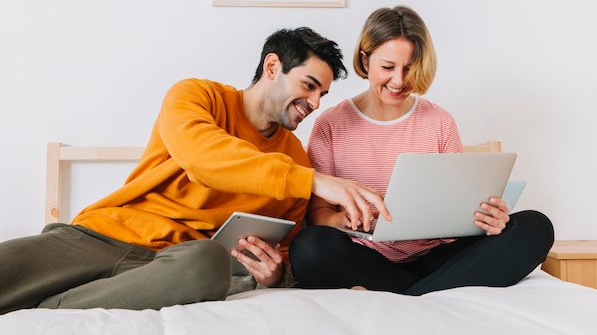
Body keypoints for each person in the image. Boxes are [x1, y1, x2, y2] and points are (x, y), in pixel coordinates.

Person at [0, 27, 390, 315]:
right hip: (100, 237)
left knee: (209, 261)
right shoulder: (196, 96)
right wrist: (316, 180)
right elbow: (204, 157)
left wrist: (275, 274)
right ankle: (60, 299)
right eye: (308, 85)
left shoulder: (296, 160)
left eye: (322, 94)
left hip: (177, 265)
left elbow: (285, 250)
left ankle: (46, 313)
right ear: (273, 66)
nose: (314, 103)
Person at [289, 6, 554, 295]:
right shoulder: (331, 124)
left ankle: (408, 293)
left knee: (535, 227)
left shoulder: (439, 121)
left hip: (435, 257)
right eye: (388, 67)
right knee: (308, 248)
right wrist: (344, 219)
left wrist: (491, 218)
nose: (399, 81)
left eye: (410, 68)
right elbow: (319, 216)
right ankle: (433, 292)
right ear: (365, 60)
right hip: (366, 258)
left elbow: (461, 205)